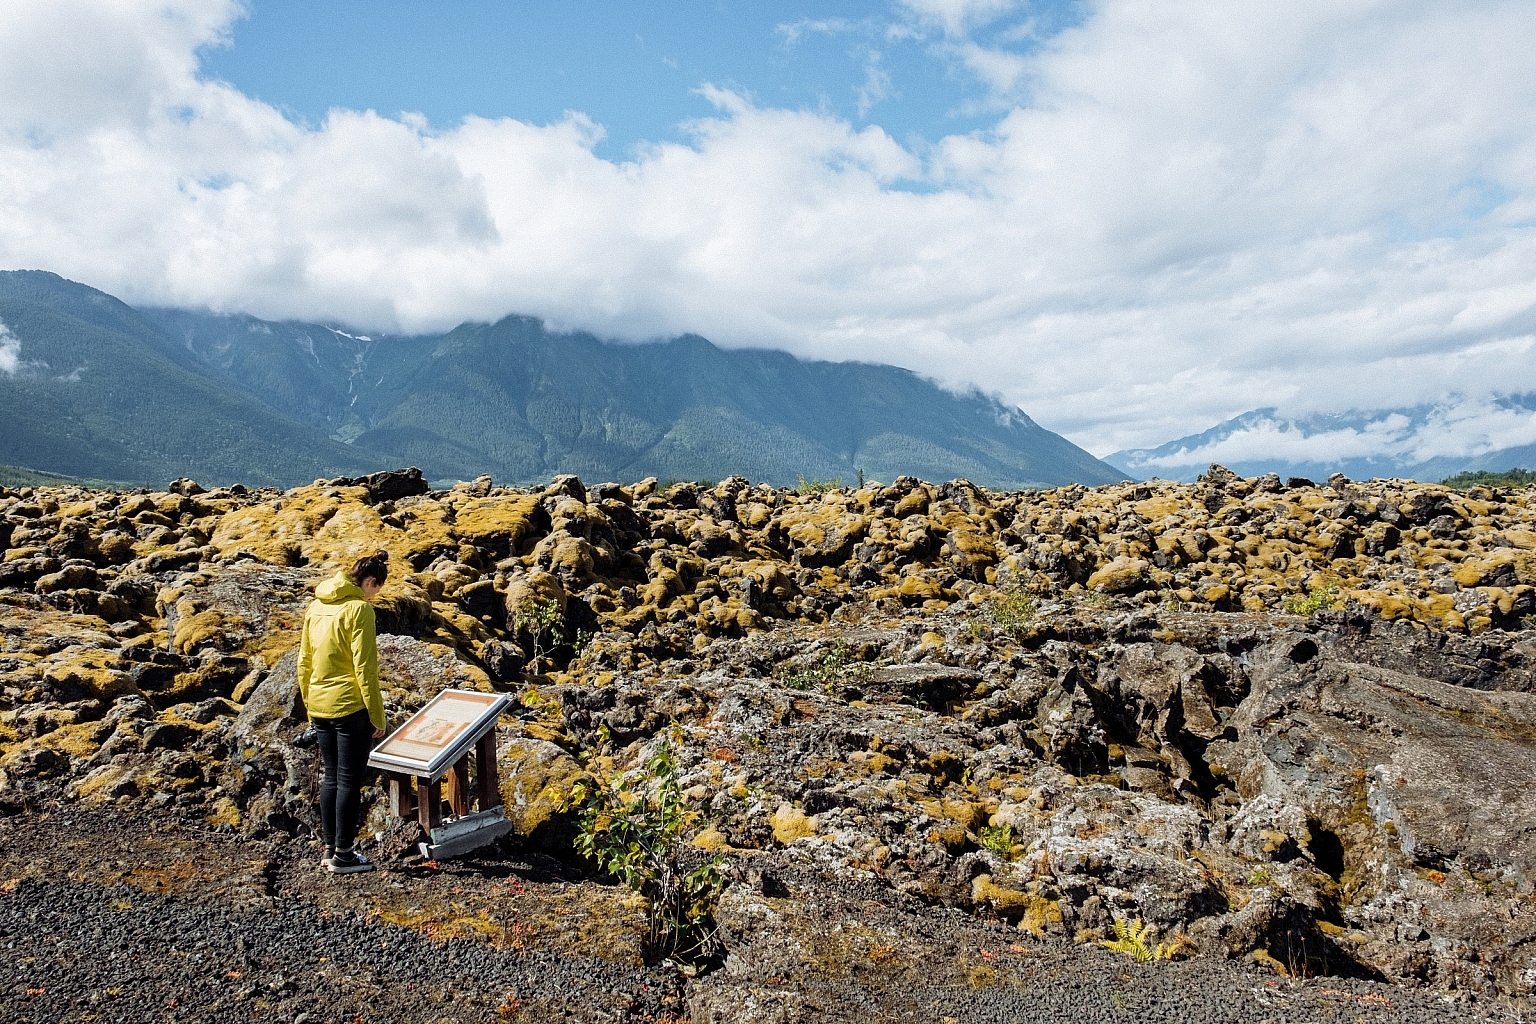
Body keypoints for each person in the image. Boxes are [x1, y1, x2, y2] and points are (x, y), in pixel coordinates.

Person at [297, 549, 389, 874]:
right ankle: (345, 855)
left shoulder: (315, 606)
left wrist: (311, 707)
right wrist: (377, 717)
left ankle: (330, 848)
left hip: (320, 705)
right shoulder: (359, 610)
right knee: (349, 779)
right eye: (376, 588)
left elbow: (304, 662)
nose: (375, 595)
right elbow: (365, 667)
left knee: (331, 777)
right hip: (350, 706)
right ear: (369, 581)